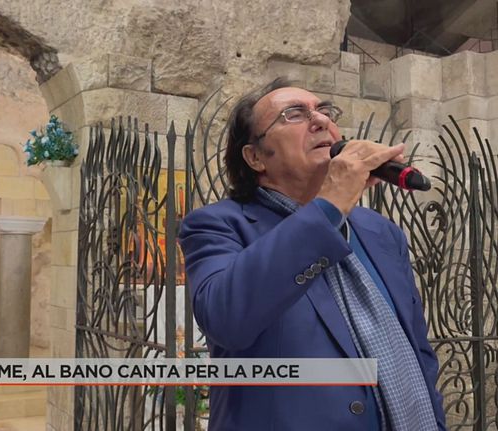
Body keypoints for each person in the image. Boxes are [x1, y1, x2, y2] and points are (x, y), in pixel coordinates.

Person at [179, 78, 447, 430]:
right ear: (255, 157)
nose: (320, 120)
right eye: (294, 114)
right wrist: (330, 204)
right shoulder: (217, 225)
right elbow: (226, 318)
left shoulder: (381, 232)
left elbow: (417, 351)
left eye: (325, 110)